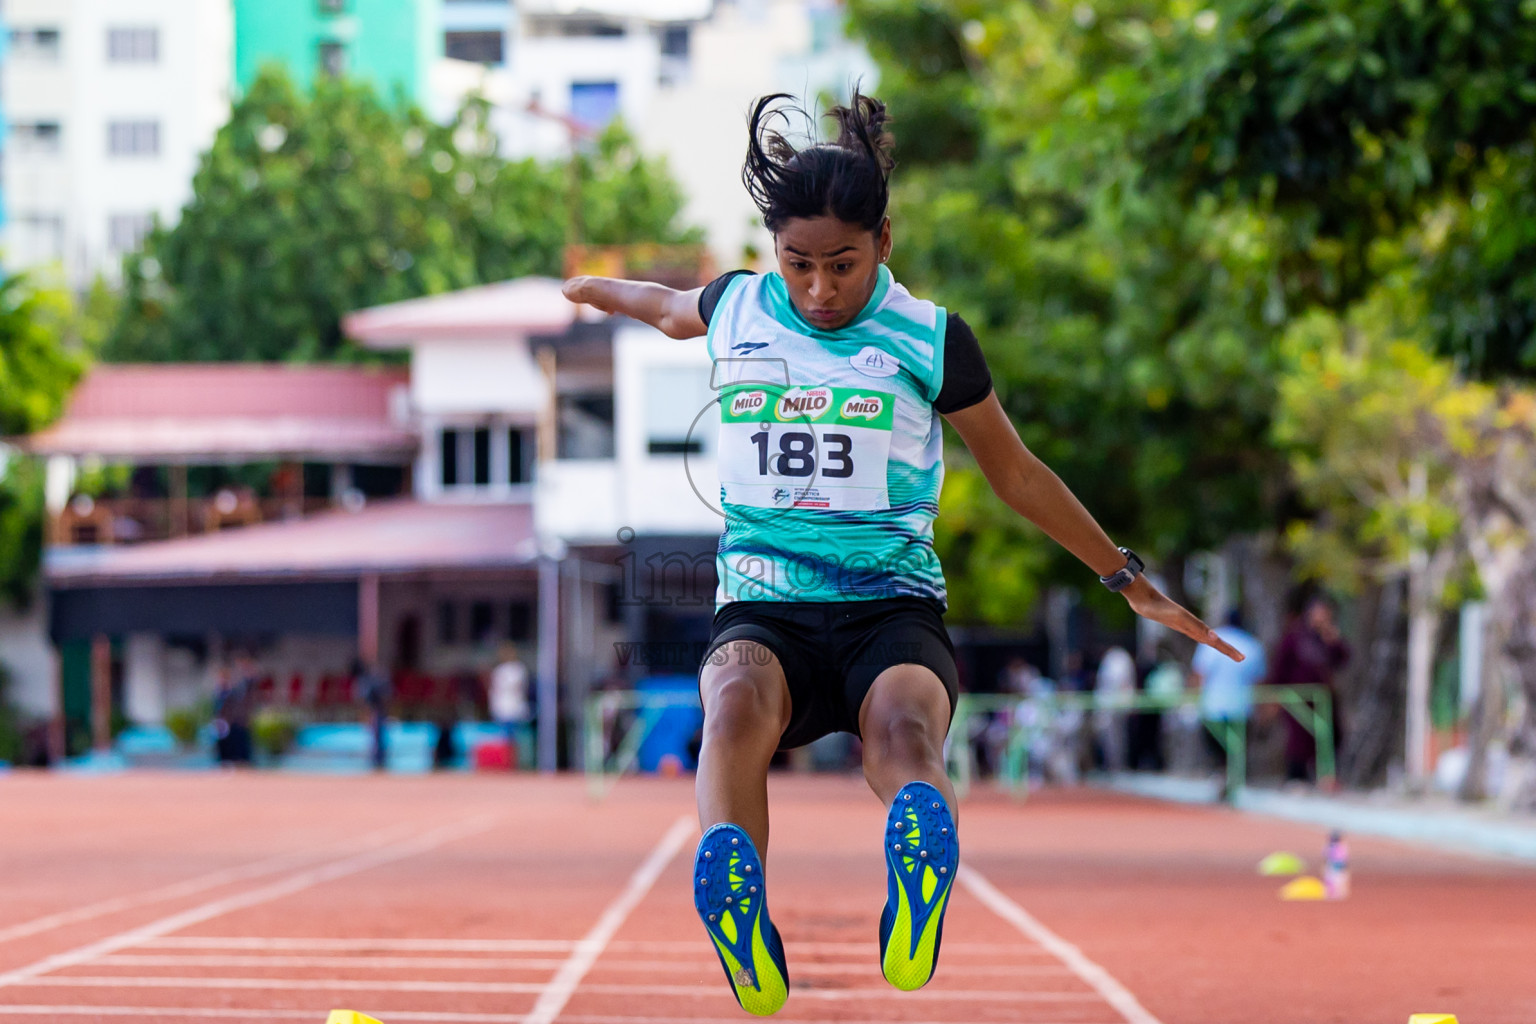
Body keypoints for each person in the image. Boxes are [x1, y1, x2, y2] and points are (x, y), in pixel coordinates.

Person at [561, 90, 1242, 1016]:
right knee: (732, 717)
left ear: (884, 241)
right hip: (764, 606)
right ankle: (736, 893)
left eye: (840, 265)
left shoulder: (929, 338)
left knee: (903, 740)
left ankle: (917, 855)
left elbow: (1015, 472)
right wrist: (604, 294)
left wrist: (1124, 577)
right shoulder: (739, 307)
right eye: (797, 264)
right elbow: (672, 306)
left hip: (892, 608)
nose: (817, 290)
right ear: (774, 253)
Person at [1268, 594, 1350, 784]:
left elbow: (1343, 659)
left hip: (1323, 698)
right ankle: (1296, 777)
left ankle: (1327, 776)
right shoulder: (1295, 636)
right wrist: (1276, 693)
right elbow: (1281, 665)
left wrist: (1334, 640)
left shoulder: (1327, 638)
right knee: (1299, 739)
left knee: (1330, 736)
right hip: (1299, 698)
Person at [1191, 610, 1268, 796]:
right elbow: (1258, 681)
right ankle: (1233, 781)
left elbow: (1200, 675)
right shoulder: (1253, 645)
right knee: (1236, 749)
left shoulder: (1211, 641)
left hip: (1214, 707)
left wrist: (1195, 702)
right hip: (1242, 706)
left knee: (1217, 750)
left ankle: (1221, 779)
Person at [488, 644, 531, 769]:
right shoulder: (499, 670)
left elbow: (518, 687)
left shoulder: (518, 669)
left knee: (513, 738)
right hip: (502, 707)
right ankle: (505, 764)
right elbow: (495, 690)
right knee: (504, 738)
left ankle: (515, 764)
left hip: (514, 708)